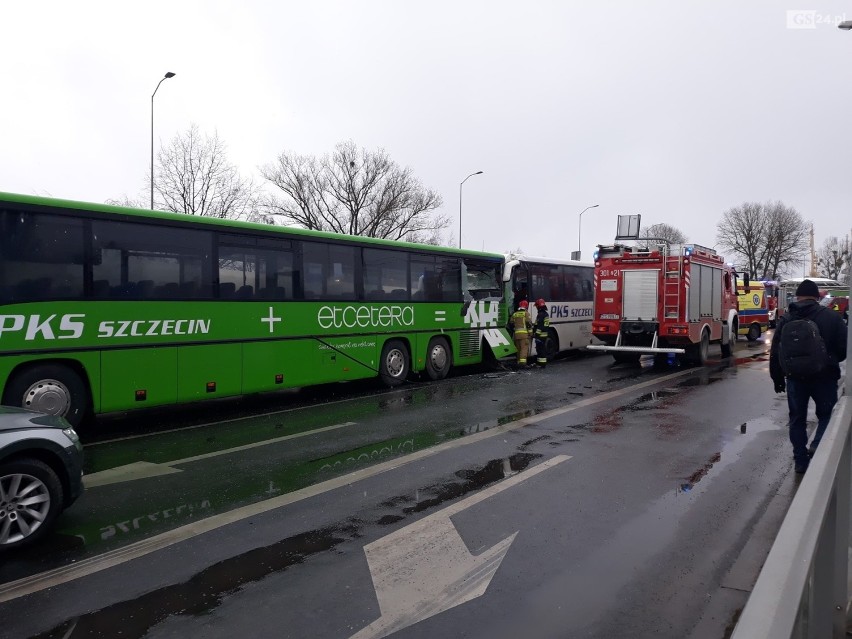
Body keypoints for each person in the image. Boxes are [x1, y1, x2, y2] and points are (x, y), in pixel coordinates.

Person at [769, 279, 847, 474]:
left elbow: (775, 352)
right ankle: (818, 444)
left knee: (797, 419)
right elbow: (844, 350)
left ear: (797, 296)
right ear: (817, 297)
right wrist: (828, 359)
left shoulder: (786, 319)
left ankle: (800, 461)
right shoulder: (832, 317)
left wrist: (777, 378)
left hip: (795, 379)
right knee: (827, 415)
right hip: (825, 377)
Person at [511, 299, 532, 367]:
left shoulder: (515, 314)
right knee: (524, 348)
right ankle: (522, 363)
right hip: (524, 335)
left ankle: (518, 362)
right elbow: (528, 324)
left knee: (518, 349)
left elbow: (511, 323)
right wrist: (531, 333)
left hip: (516, 335)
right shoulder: (526, 313)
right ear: (526, 306)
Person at [532, 298, 550, 367]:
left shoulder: (540, 315)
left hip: (540, 336)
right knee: (542, 349)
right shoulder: (546, 314)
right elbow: (545, 326)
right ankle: (541, 363)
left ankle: (541, 364)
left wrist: (536, 334)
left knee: (540, 350)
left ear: (538, 306)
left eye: (536, 306)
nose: (536, 307)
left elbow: (538, 326)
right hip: (544, 335)